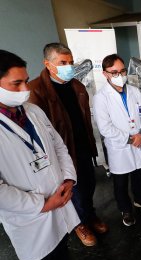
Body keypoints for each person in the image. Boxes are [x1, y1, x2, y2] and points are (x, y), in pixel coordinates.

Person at [0, 49, 80, 260]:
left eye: (26, 81)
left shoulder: (33, 111)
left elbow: (58, 145)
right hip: (30, 219)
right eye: (16, 84)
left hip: (60, 199)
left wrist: (68, 178)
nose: (25, 90)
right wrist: (42, 205)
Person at [28, 43, 107, 247]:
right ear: (48, 64)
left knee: (89, 185)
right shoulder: (37, 90)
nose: (69, 66)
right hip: (62, 152)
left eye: (71, 62)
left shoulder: (76, 86)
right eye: (63, 62)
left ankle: (90, 216)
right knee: (74, 191)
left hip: (82, 146)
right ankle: (79, 224)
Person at [93, 54, 141, 226]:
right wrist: (129, 139)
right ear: (105, 74)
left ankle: (139, 199)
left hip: (138, 141)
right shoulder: (101, 97)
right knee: (120, 182)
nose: (119, 76)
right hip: (119, 146)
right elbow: (105, 127)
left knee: (138, 175)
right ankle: (125, 209)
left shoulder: (134, 91)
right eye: (114, 73)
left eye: (122, 71)